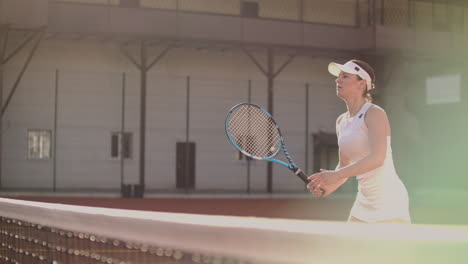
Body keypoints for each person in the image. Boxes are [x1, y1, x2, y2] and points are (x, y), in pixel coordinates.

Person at [307, 59, 411, 224]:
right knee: (348, 249)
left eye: (345, 76)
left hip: (389, 200)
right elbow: (343, 165)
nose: (338, 80)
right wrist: (328, 187)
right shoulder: (341, 121)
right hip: (363, 201)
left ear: (361, 84)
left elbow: (378, 158)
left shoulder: (375, 113)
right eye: (339, 76)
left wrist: (336, 175)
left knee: (389, 251)